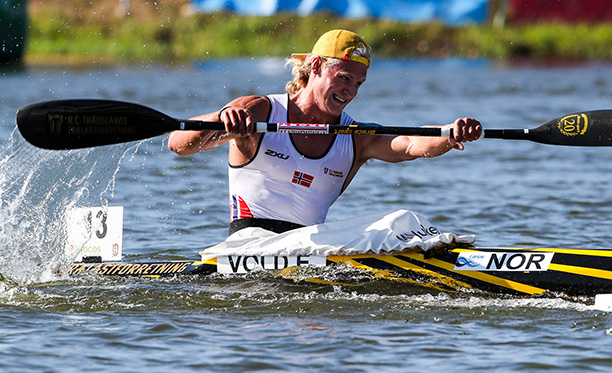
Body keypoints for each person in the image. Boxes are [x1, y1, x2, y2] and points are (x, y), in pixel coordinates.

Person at [168, 29, 482, 236]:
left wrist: (450, 133)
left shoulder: (357, 136)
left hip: (311, 249)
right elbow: (177, 145)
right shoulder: (259, 110)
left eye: (358, 84)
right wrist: (222, 119)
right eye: (344, 78)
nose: (350, 91)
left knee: (402, 222)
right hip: (248, 248)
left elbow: (411, 142)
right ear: (316, 65)